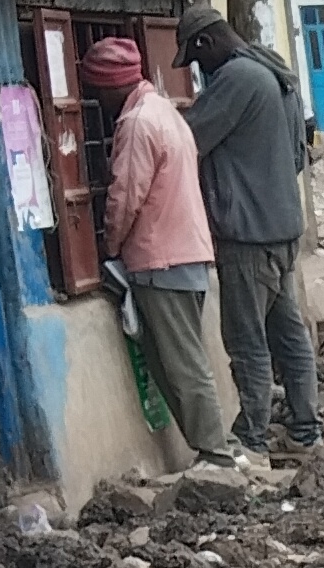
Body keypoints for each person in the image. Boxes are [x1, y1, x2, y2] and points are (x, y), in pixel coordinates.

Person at [84, 38, 234, 464]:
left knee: (181, 363)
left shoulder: (136, 123)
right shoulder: (166, 112)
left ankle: (215, 452)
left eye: (99, 91)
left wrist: (109, 247)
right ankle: (211, 447)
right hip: (186, 250)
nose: (99, 100)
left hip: (160, 256)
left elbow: (125, 196)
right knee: (182, 357)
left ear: (112, 87)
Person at [179, 7, 321, 455]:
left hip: (248, 235)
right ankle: (305, 428)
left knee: (247, 341)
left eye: (196, 60)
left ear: (205, 43)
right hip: (282, 229)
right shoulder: (275, 73)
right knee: (289, 335)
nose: (199, 71)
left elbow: (187, 140)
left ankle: (253, 436)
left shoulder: (238, 78)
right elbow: (299, 156)